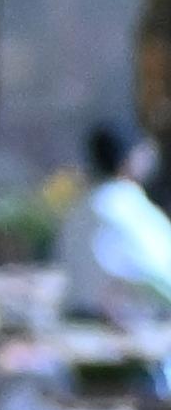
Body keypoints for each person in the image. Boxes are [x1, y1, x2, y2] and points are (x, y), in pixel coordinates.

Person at [63, 119, 171, 324]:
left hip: (78, 316)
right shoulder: (124, 206)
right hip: (123, 323)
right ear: (130, 159)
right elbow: (155, 270)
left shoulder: (84, 203)